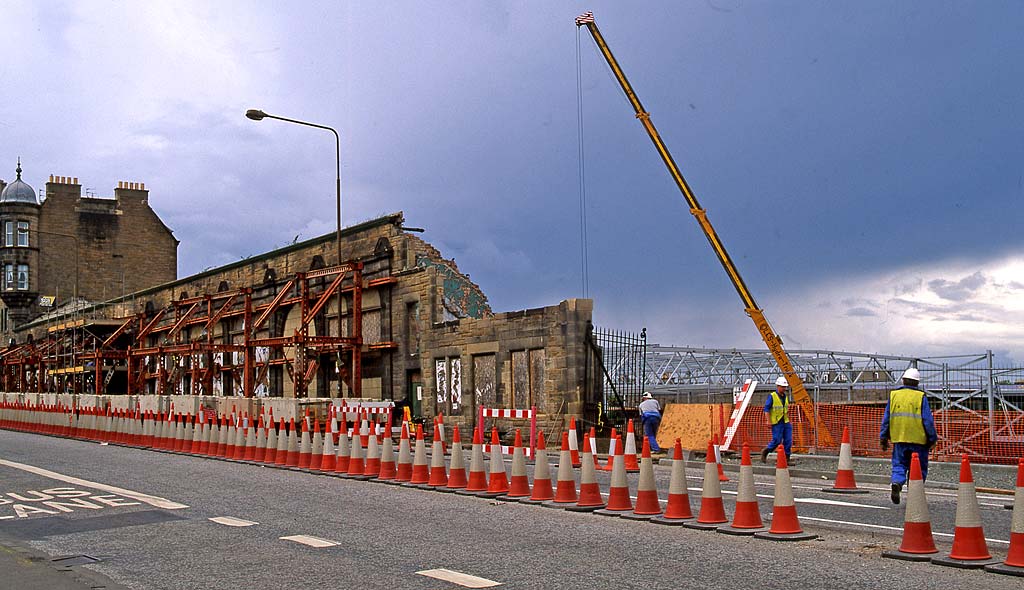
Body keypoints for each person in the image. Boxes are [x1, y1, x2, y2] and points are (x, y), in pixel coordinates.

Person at [880, 367, 937, 505]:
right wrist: (932, 438)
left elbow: (886, 418)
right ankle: (915, 494)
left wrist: (883, 437)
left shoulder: (894, 395)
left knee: (899, 464)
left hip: (899, 438)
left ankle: (897, 483)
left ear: (903, 380)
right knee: (918, 467)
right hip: (919, 440)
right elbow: (927, 420)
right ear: (917, 383)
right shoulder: (920, 397)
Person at [760, 376, 793, 464]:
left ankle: (786, 458)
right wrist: (768, 421)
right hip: (777, 422)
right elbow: (766, 409)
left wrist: (788, 419)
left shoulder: (785, 397)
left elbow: (785, 409)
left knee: (788, 440)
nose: (784, 388)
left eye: (785, 387)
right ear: (778, 386)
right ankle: (766, 451)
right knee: (777, 440)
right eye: (782, 387)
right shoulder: (772, 396)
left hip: (785, 421)